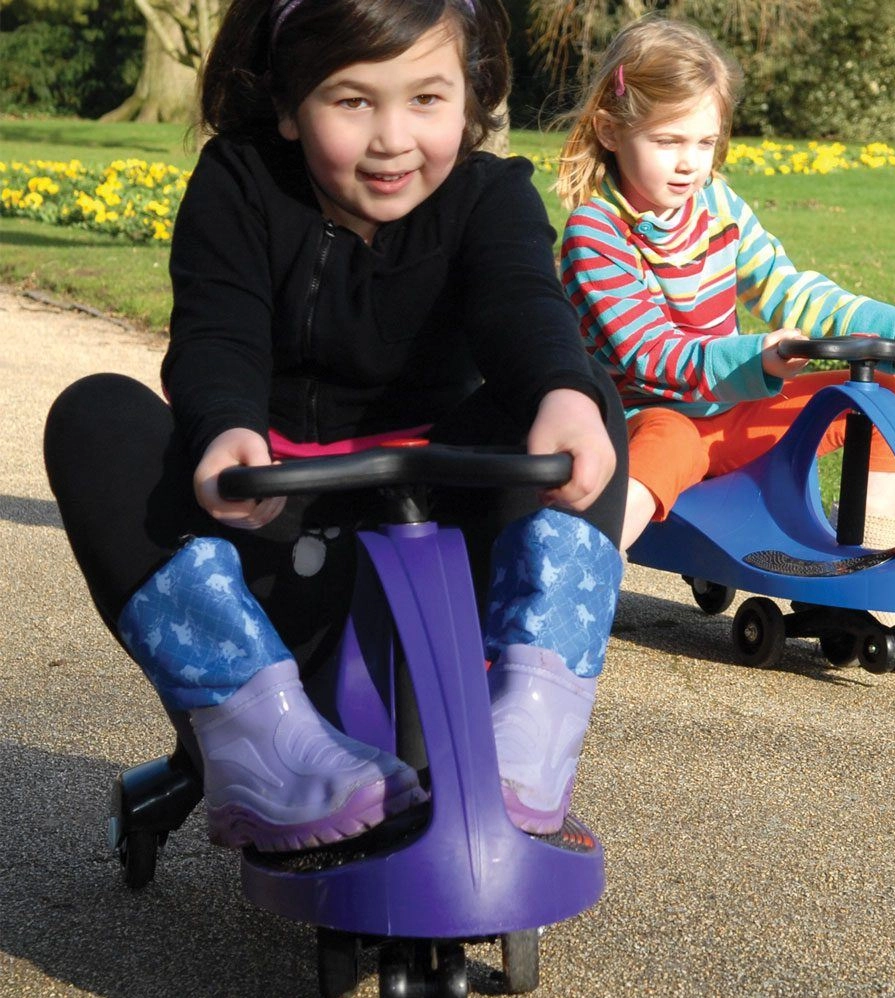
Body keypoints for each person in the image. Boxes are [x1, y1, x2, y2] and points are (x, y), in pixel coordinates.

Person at [44, 0, 627, 853]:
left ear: (470, 96)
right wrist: (226, 429)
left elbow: (522, 302)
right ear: (288, 105)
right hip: (272, 530)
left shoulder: (488, 196)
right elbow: (217, 333)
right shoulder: (241, 184)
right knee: (94, 415)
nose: (393, 138)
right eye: (353, 101)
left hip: (446, 536)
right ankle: (257, 731)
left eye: (426, 99)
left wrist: (562, 391)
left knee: (577, 396)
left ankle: (530, 722)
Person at [556, 15, 895, 552]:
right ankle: (578, 570)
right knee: (671, 441)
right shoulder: (596, 232)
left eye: (705, 142)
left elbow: (789, 291)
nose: (689, 164)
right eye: (668, 141)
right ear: (611, 131)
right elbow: (651, 355)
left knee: (892, 394)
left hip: (733, 416)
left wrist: (894, 327)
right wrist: (758, 359)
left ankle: (861, 551)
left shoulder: (718, 205)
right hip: (644, 421)